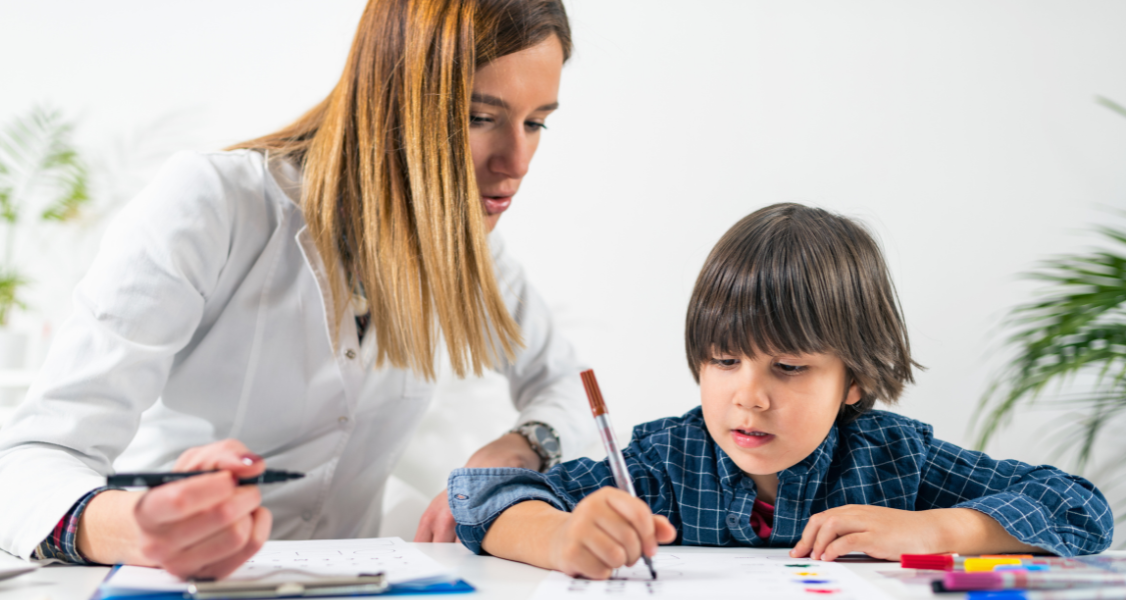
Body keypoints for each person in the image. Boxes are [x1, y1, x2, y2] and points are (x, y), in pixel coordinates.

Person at [0, 0, 592, 580]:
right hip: (167, 580)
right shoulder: (215, 204)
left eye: (536, 122)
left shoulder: (467, 247)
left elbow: (572, 386)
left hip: (357, 582)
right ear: (392, 99)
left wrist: (524, 445)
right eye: (480, 118)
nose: (517, 161)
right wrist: (140, 528)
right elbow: (25, 463)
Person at [447, 203, 1114, 580]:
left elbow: (1080, 509)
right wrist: (562, 536)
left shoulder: (897, 461)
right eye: (725, 360)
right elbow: (481, 494)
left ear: (854, 377)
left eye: (789, 368)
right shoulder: (664, 463)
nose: (750, 396)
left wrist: (937, 526)